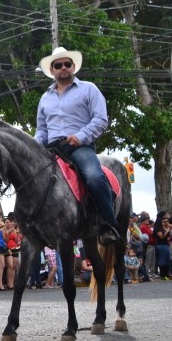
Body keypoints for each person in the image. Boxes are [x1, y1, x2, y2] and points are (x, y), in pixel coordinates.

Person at [35, 47, 119, 245]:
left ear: (73, 67)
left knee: (94, 177)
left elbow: (100, 120)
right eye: (58, 65)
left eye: (67, 64)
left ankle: (108, 224)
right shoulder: (45, 98)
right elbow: (41, 130)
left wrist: (80, 137)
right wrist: (35, 146)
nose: (63, 68)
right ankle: (35, 225)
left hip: (80, 147)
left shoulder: (89, 89)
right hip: (52, 149)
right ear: (52, 70)